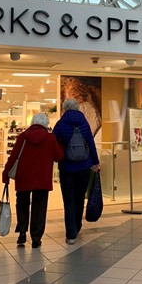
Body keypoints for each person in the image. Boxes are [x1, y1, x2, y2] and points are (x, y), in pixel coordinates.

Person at [2, 112, 63, 248]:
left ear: (32, 123)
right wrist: (61, 145)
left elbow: (13, 157)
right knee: (39, 207)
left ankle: (22, 232)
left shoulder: (23, 137)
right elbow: (59, 157)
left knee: (22, 203)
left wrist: (6, 173)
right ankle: (36, 237)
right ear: (46, 124)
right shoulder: (50, 138)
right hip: (42, 179)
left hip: (24, 177)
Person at [53, 98, 100, 244]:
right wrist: (95, 162)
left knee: (69, 200)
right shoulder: (84, 123)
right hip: (84, 167)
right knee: (80, 198)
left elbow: (53, 143)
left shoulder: (61, 124)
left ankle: (71, 235)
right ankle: (77, 226)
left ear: (65, 109)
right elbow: (91, 143)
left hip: (67, 167)